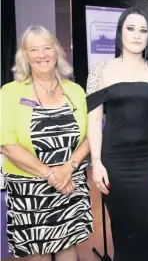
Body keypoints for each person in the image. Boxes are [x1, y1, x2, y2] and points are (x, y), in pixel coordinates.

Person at [86, 6, 148, 260]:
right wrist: (96, 163)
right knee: (123, 229)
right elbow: (94, 122)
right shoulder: (100, 71)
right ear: (120, 32)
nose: (137, 35)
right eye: (131, 28)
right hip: (115, 164)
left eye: (143, 30)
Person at [0, 25, 93, 260]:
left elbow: (90, 136)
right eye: (34, 49)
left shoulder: (76, 91)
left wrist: (67, 168)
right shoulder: (9, 92)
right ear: (25, 56)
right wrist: (52, 175)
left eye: (47, 47)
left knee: (68, 248)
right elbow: (7, 144)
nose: (42, 54)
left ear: (57, 52)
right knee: (36, 253)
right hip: (29, 191)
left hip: (70, 184)